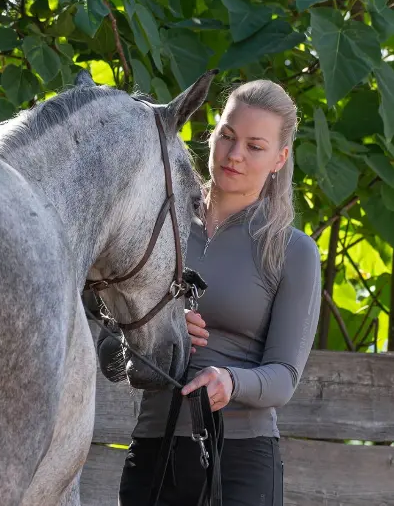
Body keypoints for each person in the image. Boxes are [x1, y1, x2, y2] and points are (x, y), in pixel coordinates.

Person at [95, 79, 322, 506]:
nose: (235, 155)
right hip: (152, 452)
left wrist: (230, 381)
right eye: (227, 136)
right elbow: (108, 356)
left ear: (280, 158)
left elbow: (284, 378)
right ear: (211, 135)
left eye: (255, 146)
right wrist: (154, 328)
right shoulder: (156, 230)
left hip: (240, 461)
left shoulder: (292, 251)